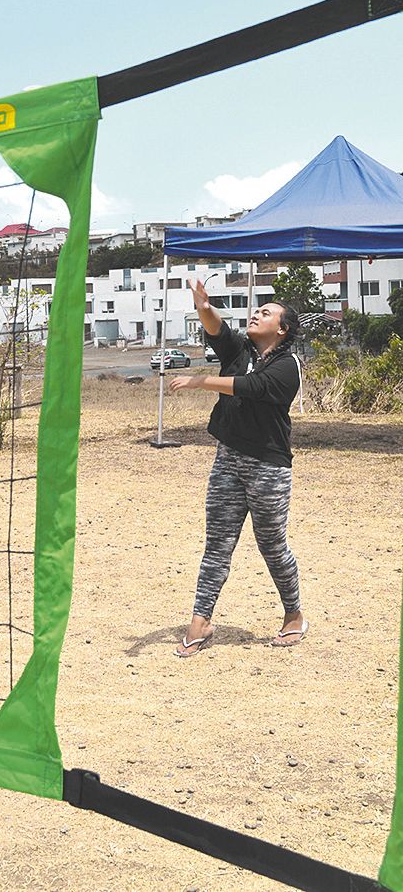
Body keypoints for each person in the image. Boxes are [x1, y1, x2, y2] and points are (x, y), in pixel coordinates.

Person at [169, 277, 306, 657]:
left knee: (272, 546)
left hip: (268, 467)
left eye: (266, 313)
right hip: (228, 459)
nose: (256, 314)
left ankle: (294, 616)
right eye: (256, 310)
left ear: (282, 328)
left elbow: (253, 388)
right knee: (217, 544)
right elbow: (217, 328)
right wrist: (202, 305)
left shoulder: (287, 365)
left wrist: (201, 382)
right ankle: (201, 620)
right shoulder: (240, 350)